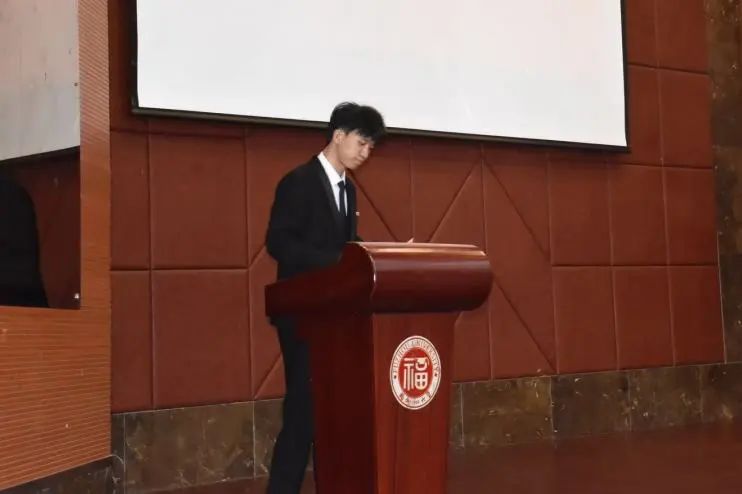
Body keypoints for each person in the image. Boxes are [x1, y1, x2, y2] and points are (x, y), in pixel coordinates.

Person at [265, 102, 385, 493]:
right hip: (302, 314)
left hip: (335, 316)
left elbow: (345, 246)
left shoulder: (348, 189)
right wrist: (335, 260)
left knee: (330, 413)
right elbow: (279, 242)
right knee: (303, 411)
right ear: (338, 135)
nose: (365, 153)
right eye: (361, 143)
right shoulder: (298, 182)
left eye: (370, 147)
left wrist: (375, 256)